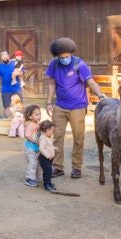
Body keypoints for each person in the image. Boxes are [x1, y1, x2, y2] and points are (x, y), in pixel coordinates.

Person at [45, 37, 105, 178]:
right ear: (57, 56)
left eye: (67, 56)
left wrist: (101, 97)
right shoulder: (54, 65)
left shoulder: (79, 64)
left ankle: (76, 167)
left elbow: (90, 82)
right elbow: (52, 83)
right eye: (62, 57)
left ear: (71, 53)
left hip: (77, 106)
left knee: (78, 138)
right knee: (57, 137)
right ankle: (58, 167)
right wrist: (48, 102)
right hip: (60, 106)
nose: (65, 59)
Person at [22, 104, 43, 186]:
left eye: (39, 114)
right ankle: (29, 179)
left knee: (38, 163)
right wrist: (35, 141)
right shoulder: (30, 125)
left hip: (37, 148)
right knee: (32, 163)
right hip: (30, 148)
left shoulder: (38, 124)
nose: (39, 116)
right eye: (36, 114)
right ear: (30, 117)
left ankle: (37, 177)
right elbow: (27, 135)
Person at [37, 120, 57, 192]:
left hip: (49, 158)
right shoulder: (43, 139)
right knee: (48, 171)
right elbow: (41, 148)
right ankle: (47, 184)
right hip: (44, 158)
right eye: (52, 131)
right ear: (47, 130)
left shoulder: (47, 137)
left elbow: (48, 146)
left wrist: (53, 148)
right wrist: (48, 155)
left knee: (49, 171)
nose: (53, 133)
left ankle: (49, 183)